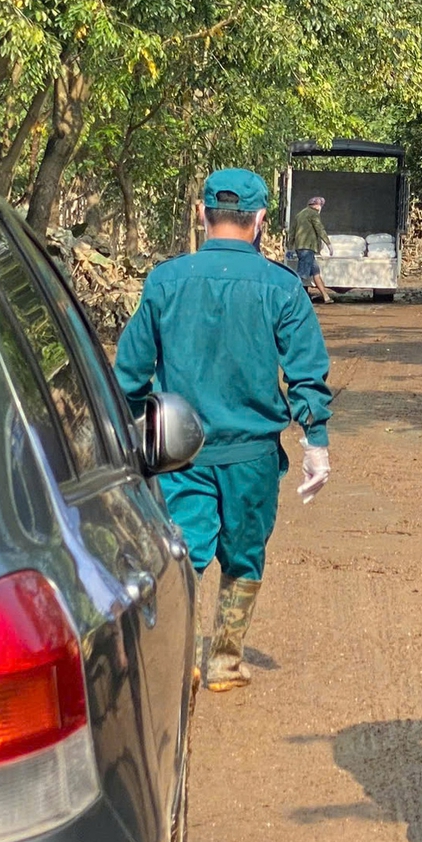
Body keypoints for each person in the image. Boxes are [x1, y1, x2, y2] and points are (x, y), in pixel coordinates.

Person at [114, 168, 334, 692]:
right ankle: (226, 661)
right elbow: (306, 370)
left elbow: (129, 372)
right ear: (260, 221)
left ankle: (181, 656)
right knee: (245, 553)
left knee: (183, 553)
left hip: (176, 452)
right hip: (252, 455)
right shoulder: (282, 287)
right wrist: (315, 442)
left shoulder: (166, 280)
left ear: (201, 214)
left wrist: (121, 432)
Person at [290, 194, 330, 303]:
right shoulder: (313, 214)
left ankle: (326, 297)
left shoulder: (299, 214)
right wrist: (328, 243)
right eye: (321, 205)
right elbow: (319, 229)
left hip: (300, 248)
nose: (321, 208)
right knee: (302, 274)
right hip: (308, 248)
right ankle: (294, 297)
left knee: (316, 272)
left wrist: (290, 246)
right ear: (317, 206)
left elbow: (292, 232)